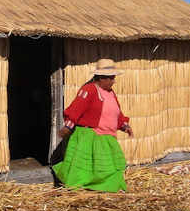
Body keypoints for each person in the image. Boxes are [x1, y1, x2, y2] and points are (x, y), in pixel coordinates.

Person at [51, 59, 132, 192]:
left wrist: (124, 125)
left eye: (113, 77)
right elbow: (77, 108)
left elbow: (116, 112)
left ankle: (105, 188)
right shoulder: (89, 90)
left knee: (108, 166)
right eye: (110, 78)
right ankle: (83, 189)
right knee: (85, 168)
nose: (113, 81)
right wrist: (68, 126)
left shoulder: (110, 93)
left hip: (107, 137)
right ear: (101, 78)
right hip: (90, 136)